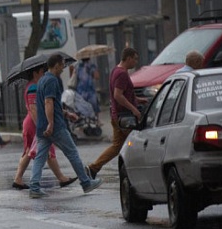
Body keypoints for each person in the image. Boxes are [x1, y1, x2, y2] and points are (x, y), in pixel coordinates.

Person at [28, 53, 103, 199]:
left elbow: (52, 105)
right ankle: (86, 183)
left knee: (41, 156)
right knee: (72, 153)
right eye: (62, 65)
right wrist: (51, 123)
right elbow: (48, 102)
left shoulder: (42, 80)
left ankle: (34, 187)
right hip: (55, 126)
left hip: (43, 126)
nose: (64, 68)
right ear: (56, 65)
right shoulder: (52, 80)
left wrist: (67, 114)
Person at [85, 47, 148, 179]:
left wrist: (137, 99)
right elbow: (118, 95)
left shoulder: (116, 70)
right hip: (125, 118)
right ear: (129, 58)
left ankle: (93, 168)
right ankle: (137, 173)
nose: (136, 62)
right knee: (139, 141)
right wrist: (134, 109)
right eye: (135, 59)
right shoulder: (122, 74)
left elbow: (124, 93)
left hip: (117, 116)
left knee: (117, 146)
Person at [12, 66, 77, 190]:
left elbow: (50, 107)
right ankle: (60, 178)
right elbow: (33, 109)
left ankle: (18, 179)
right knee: (46, 151)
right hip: (34, 124)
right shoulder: (33, 87)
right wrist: (41, 127)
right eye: (42, 72)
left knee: (33, 152)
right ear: (35, 73)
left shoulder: (35, 86)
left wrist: (66, 114)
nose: (44, 74)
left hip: (32, 124)